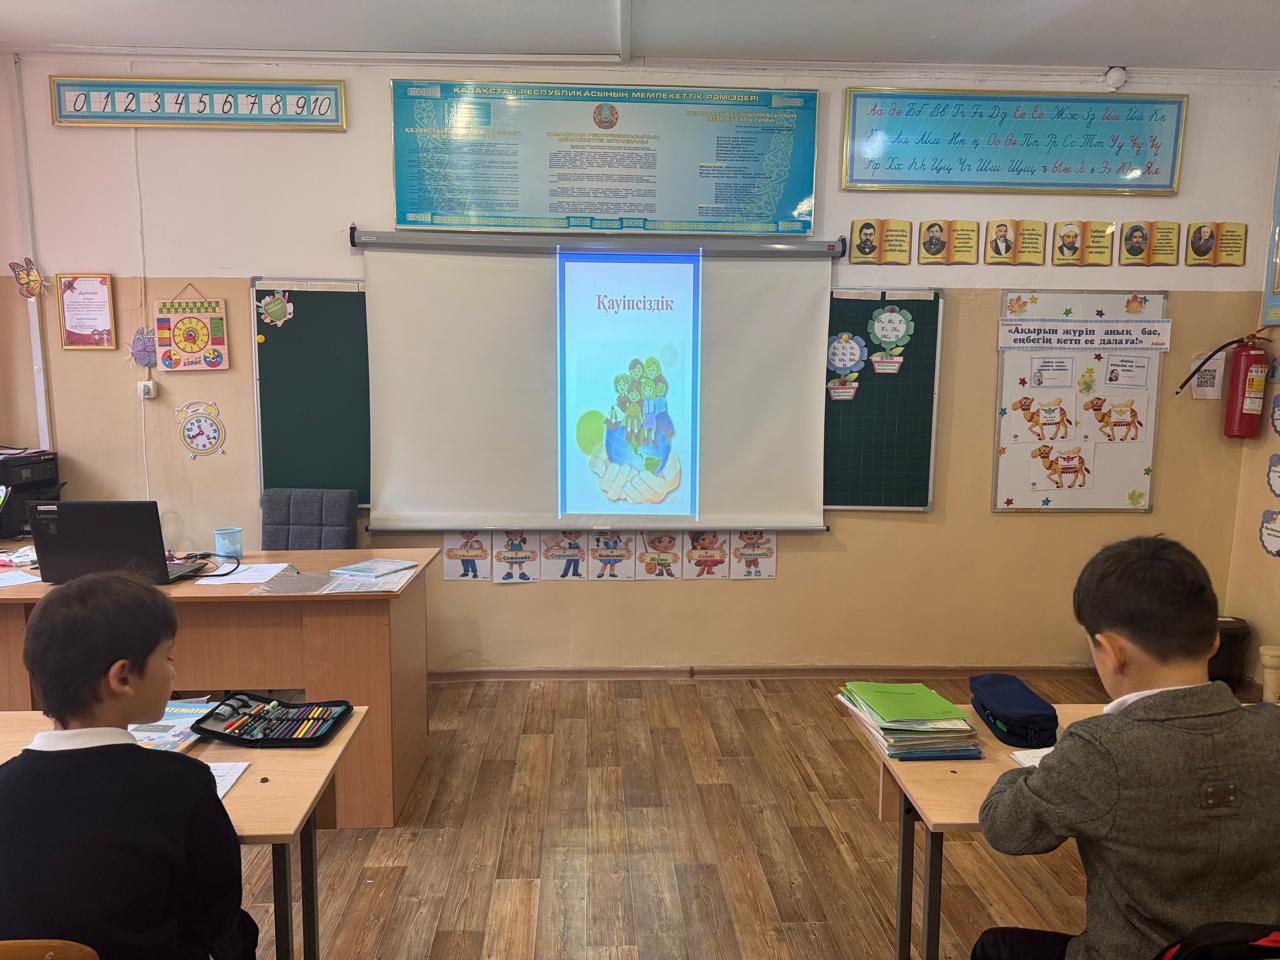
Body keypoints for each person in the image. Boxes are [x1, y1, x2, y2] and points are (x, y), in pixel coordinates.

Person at [972, 536, 1280, 960]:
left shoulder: (1098, 750)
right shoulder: (1273, 729)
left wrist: (1032, 771)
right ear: (1214, 641)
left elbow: (1005, 828)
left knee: (995, 947)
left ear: (1112, 652)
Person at [0, 573, 258, 960]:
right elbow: (216, 915)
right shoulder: (181, 785)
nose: (173, 671)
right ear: (122, 677)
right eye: (167, 657)